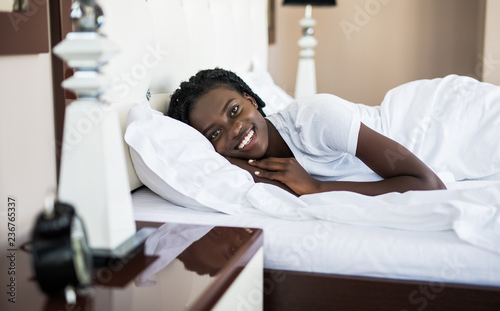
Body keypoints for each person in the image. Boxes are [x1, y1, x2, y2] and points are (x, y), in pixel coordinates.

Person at [167, 68, 450, 196]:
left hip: (430, 122)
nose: (235, 129)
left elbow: (428, 183)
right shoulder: (235, 162)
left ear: (251, 100)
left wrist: (318, 188)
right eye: (214, 134)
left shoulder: (317, 118)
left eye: (234, 111)